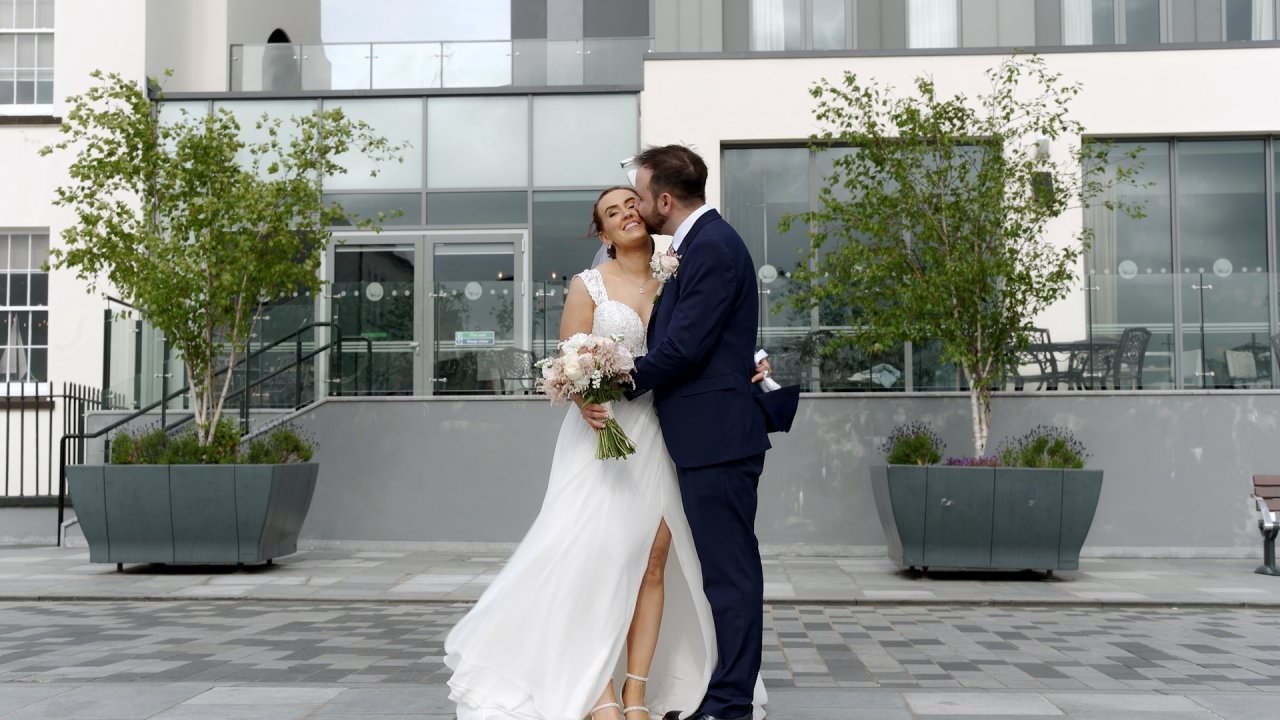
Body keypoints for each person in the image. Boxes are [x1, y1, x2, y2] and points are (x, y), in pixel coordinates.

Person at [444, 186, 772, 720]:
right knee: (595, 559)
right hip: (604, 436)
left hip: (665, 433)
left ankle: (637, 692)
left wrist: (747, 362)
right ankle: (597, 690)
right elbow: (569, 361)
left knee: (653, 563)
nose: (626, 214)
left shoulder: (678, 270)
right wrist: (584, 402)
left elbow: (709, 335)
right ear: (603, 234)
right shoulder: (587, 284)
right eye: (612, 212)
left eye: (630, 204)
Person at [621, 144, 791, 720]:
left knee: (730, 572)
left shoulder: (712, 247)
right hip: (707, 434)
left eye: (641, 197)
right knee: (724, 571)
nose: (638, 208)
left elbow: (684, 346)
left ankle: (729, 705)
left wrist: (616, 382)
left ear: (664, 200)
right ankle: (723, 697)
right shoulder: (695, 246)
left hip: (717, 437)